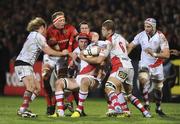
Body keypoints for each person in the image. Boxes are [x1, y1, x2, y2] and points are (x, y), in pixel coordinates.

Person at [80, 20, 151, 118]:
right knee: (127, 94)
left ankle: (116, 108)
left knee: (108, 87)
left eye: (103, 29)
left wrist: (84, 57)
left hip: (120, 67)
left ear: (109, 31)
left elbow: (99, 60)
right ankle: (145, 112)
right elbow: (128, 45)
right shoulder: (120, 37)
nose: (102, 31)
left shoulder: (108, 42)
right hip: (129, 67)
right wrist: (123, 55)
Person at [15, 17, 69, 118]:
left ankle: (24, 107)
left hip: (25, 64)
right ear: (42, 27)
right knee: (30, 87)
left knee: (37, 89)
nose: (46, 31)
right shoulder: (38, 36)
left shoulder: (32, 35)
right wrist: (62, 53)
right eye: (45, 28)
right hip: (23, 63)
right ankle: (23, 110)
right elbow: (48, 51)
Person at [49, 33, 99, 117]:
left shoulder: (92, 49)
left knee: (84, 80)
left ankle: (79, 110)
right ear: (78, 42)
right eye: (81, 41)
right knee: (59, 82)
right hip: (78, 77)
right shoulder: (75, 51)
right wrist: (72, 65)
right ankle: (60, 111)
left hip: (90, 78)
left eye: (85, 42)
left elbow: (99, 57)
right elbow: (74, 68)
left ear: (88, 42)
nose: (83, 44)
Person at [128, 18, 170, 116]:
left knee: (158, 90)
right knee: (142, 81)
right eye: (145, 26)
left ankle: (158, 107)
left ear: (154, 26)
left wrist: (154, 54)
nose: (146, 28)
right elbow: (131, 46)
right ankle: (146, 103)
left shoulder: (161, 37)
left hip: (157, 66)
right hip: (144, 64)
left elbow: (167, 55)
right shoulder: (141, 35)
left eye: (148, 26)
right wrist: (124, 56)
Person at [42, 11, 78, 115]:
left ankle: (60, 104)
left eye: (64, 19)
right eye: (61, 20)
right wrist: (61, 52)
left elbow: (78, 37)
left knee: (61, 82)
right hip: (51, 57)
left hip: (63, 59)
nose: (63, 22)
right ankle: (50, 105)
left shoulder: (70, 28)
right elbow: (46, 46)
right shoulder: (48, 31)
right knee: (45, 77)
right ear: (55, 22)